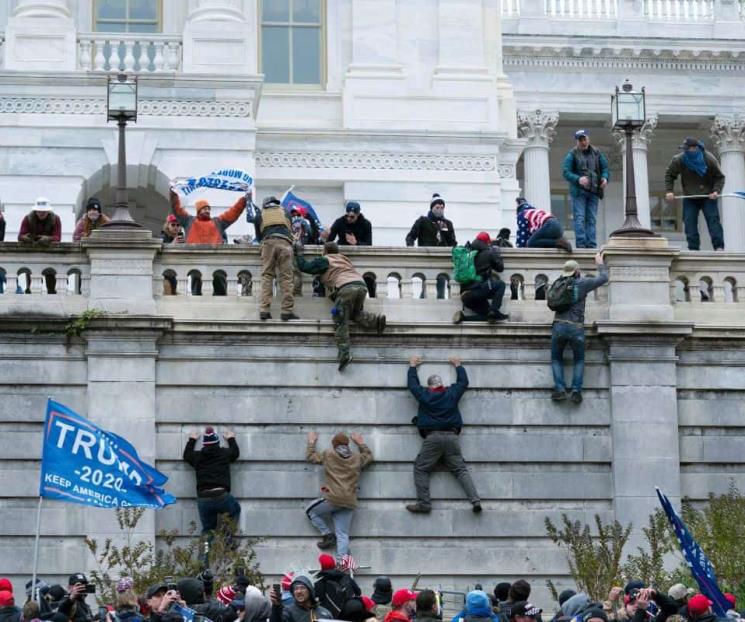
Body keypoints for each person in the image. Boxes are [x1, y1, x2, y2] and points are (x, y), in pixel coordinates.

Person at [405, 355, 481, 513]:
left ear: (430, 386)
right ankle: (475, 500)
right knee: (460, 470)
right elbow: (463, 383)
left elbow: (412, 385)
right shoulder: (451, 393)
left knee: (420, 468)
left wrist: (412, 366)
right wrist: (458, 365)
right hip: (452, 437)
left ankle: (424, 503)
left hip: (433, 438)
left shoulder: (425, 395)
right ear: (441, 385)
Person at [295, 241, 386, 371]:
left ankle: (344, 354)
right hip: (361, 286)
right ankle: (376, 322)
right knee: (354, 314)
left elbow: (305, 267)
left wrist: (299, 253)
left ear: (325, 251)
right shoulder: (344, 259)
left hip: (346, 288)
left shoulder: (325, 260)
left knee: (340, 320)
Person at [550, 253, 608, 404]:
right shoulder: (582, 283)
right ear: (577, 271)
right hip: (575, 327)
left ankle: (560, 389)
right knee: (579, 359)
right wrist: (600, 263)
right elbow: (603, 278)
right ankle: (576, 391)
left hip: (558, 325)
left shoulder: (557, 284)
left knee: (556, 358)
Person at [305, 431, 373, 556]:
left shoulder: (328, 454)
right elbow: (369, 456)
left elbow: (310, 457)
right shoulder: (357, 458)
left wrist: (311, 442)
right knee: (342, 534)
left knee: (310, 510)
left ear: (334, 445)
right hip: (349, 501)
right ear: (347, 445)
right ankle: (341, 568)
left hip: (333, 499)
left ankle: (327, 534)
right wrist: (360, 443)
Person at [664, 137, 726, 251]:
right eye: (684, 149)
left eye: (688, 149)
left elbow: (720, 177)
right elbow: (669, 175)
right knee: (689, 223)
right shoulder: (679, 159)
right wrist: (669, 191)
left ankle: (719, 247)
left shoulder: (709, 159)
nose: (685, 151)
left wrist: (716, 190)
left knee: (713, 221)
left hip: (708, 196)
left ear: (696, 148)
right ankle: (693, 249)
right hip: (690, 197)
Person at [183, 426, 241, 535]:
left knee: (208, 530)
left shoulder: (198, 456)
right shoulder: (224, 454)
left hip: (203, 497)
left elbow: (187, 456)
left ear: (204, 444)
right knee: (235, 510)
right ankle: (226, 543)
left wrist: (192, 440)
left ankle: (206, 551)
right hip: (221, 495)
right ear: (217, 443)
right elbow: (235, 453)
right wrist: (231, 439)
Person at [562, 129, 609, 249]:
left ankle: (592, 245)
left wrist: (604, 178)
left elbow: (605, 168)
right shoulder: (572, 154)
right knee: (580, 218)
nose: (583, 142)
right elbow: (566, 172)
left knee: (592, 219)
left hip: (593, 191)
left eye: (585, 139)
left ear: (588, 139)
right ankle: (581, 245)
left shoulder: (597, 152)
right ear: (577, 141)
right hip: (579, 192)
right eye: (580, 140)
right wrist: (578, 179)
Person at [254, 196, 297, 321]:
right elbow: (289, 230)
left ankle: (264, 310)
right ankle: (286, 311)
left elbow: (259, 236)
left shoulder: (260, 214)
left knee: (267, 275)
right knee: (286, 277)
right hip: (285, 243)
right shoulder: (286, 213)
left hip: (268, 242)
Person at [406, 194, 457, 299]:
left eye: (442, 208)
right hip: (427, 258)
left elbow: (452, 241)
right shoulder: (423, 221)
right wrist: (411, 249)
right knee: (428, 284)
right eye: (437, 208)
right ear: (432, 208)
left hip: (443, 259)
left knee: (441, 285)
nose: (440, 210)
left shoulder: (446, 223)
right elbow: (411, 236)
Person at [453, 232, 508, 324]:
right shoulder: (488, 253)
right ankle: (494, 310)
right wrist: (496, 254)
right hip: (478, 290)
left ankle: (463, 318)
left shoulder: (468, 252)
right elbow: (500, 268)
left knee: (488, 316)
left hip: (465, 296)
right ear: (487, 242)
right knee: (501, 285)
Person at [169, 189, 247, 245]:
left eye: (208, 209)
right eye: (204, 209)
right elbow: (177, 209)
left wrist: (243, 200)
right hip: (193, 259)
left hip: (213, 260)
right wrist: (173, 193)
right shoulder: (189, 221)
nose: (207, 211)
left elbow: (233, 213)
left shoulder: (218, 222)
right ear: (199, 211)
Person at [313, 554, 362, 619]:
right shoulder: (347, 577)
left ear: (322, 566)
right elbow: (358, 592)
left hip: (329, 617)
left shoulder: (320, 583)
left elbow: (314, 600)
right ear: (334, 564)